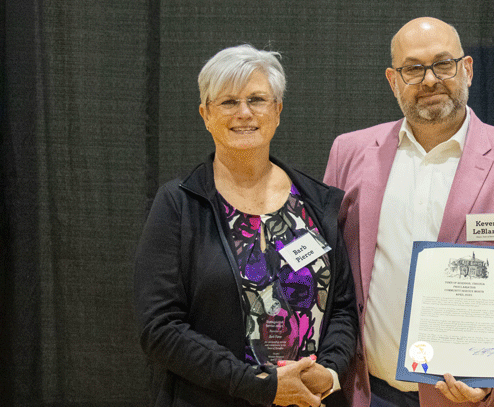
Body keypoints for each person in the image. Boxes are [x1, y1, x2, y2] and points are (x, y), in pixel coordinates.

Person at [323, 17, 494, 407]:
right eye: (413, 68)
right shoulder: (349, 153)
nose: (430, 79)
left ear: (466, 69)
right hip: (369, 393)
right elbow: (331, 272)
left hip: (474, 397)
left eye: (443, 64)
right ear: (393, 80)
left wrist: (487, 372)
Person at [134, 44, 357, 407]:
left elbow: (344, 306)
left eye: (257, 99)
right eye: (227, 102)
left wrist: (329, 372)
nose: (244, 113)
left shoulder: (319, 202)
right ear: (205, 114)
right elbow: (160, 328)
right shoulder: (178, 204)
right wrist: (259, 385)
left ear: (278, 111)